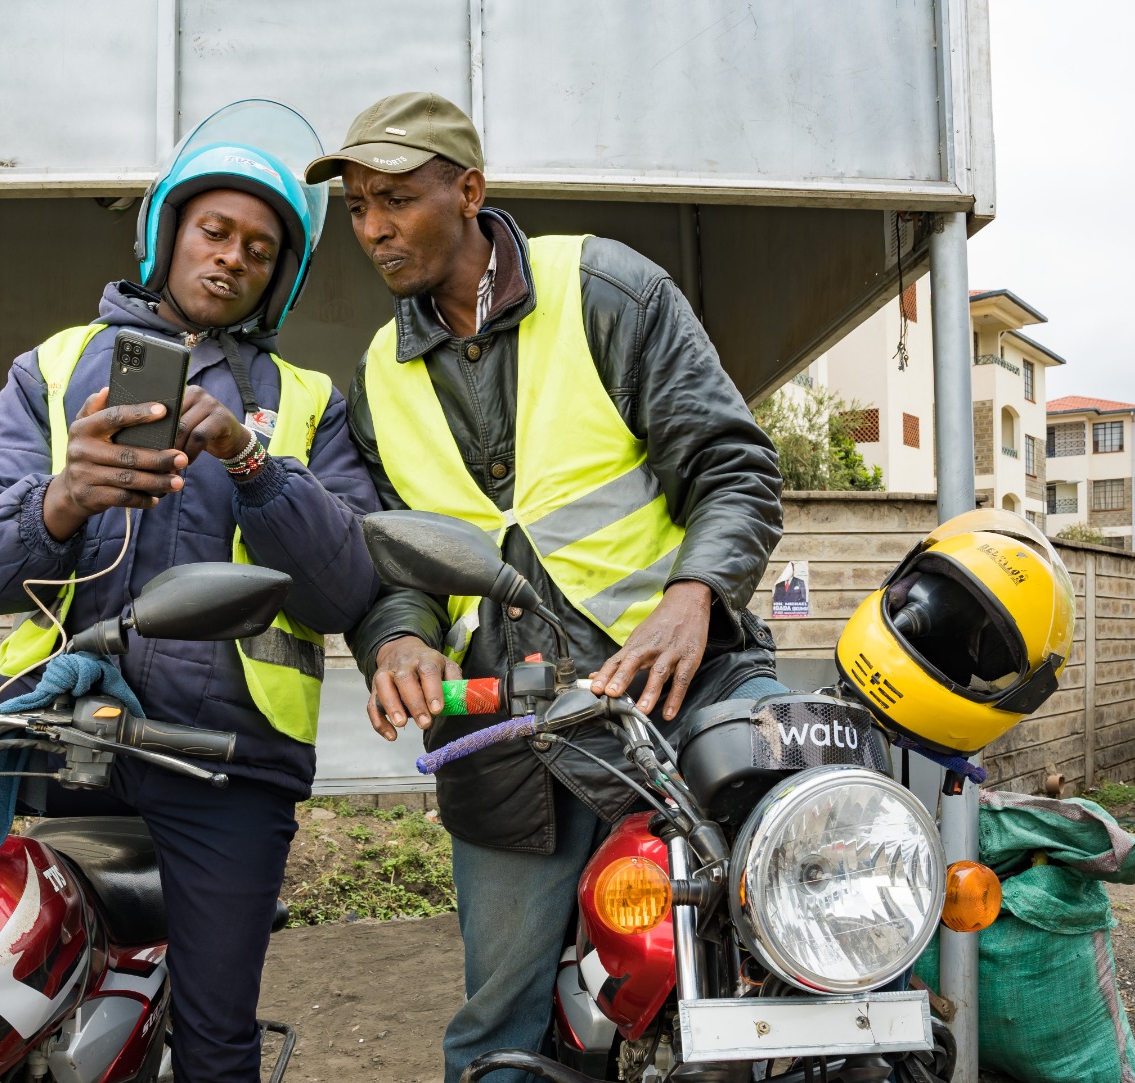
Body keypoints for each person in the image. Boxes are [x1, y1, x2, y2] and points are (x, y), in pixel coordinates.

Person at [0, 101, 379, 1083]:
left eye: (258, 250)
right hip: (49, 723)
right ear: (167, 232)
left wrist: (251, 461)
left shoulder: (308, 401)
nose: (229, 258)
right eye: (213, 231)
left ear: (279, 276)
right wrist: (58, 501)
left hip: (224, 757)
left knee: (219, 1043)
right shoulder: (53, 368)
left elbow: (343, 589)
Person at [307, 93, 786, 1082]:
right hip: (510, 735)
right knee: (497, 1031)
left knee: (792, 925)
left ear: (469, 192)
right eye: (356, 207)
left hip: (679, 691)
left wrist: (693, 595)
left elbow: (734, 470)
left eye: (395, 199)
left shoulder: (606, 290)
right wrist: (397, 640)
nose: (373, 229)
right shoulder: (377, 381)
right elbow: (398, 570)